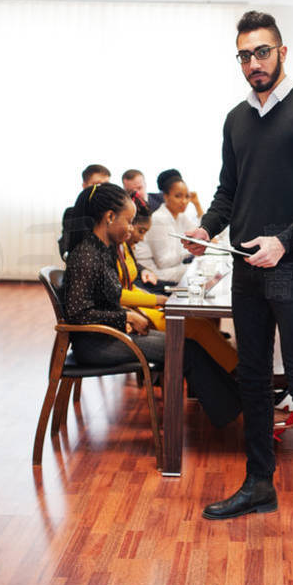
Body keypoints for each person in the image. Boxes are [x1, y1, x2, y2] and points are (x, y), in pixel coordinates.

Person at [183, 10, 293, 561]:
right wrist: (206, 228)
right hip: (243, 269)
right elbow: (229, 191)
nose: (253, 63)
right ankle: (259, 485)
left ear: (282, 53)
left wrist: (286, 239)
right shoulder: (235, 118)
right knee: (253, 380)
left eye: (262, 52)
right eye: (244, 55)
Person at [62, 183, 240, 427]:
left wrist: (124, 316)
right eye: (129, 220)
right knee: (186, 351)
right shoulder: (86, 255)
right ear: (110, 217)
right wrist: (124, 318)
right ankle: (243, 412)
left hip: (111, 335)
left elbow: (104, 301)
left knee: (190, 346)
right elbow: (77, 314)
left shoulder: (103, 250)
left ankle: (241, 407)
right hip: (97, 344)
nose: (132, 228)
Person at [117, 201, 238, 374]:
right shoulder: (109, 249)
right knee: (200, 327)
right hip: (134, 316)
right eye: (131, 225)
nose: (140, 236)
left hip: (141, 308)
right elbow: (118, 293)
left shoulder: (123, 247)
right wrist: (157, 300)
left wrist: (155, 300)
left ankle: (233, 376)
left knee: (205, 323)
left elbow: (128, 284)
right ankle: (242, 377)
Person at [136, 173, 198, 283]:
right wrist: (191, 250)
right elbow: (163, 263)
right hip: (153, 275)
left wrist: (197, 205)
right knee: (198, 272)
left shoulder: (180, 216)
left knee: (202, 269)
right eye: (178, 196)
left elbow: (200, 234)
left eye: (187, 196)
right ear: (165, 196)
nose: (184, 201)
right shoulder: (159, 219)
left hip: (170, 269)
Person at [59, 164, 112, 259]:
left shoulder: (112, 213)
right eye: (97, 184)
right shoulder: (72, 213)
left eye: (106, 185)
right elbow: (66, 246)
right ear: (84, 186)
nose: (103, 189)